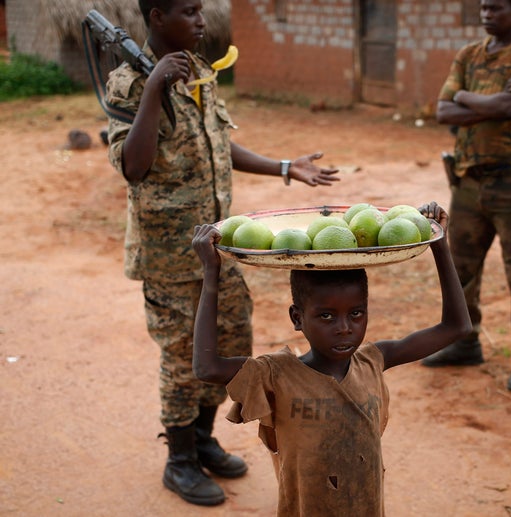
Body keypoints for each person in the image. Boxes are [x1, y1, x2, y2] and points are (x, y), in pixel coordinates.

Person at [105, 0, 339, 506]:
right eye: (188, 11)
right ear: (158, 15)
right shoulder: (126, 82)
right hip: (168, 253)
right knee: (179, 355)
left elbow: (216, 144)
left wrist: (283, 167)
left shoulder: (203, 73)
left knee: (229, 337)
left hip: (216, 244)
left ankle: (206, 440)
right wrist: (152, 89)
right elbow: (133, 165)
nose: (200, 20)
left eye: (201, 10)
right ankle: (180, 459)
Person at [191, 202, 471, 516]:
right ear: (297, 318)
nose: (344, 329)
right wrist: (210, 273)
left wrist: (439, 245)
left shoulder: (374, 361)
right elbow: (207, 367)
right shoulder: (276, 375)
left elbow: (457, 327)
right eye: (326, 316)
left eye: (356, 314)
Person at [422, 0, 511, 392]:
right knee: (460, 271)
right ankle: (465, 342)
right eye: (483, 7)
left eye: (496, 7)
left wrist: (466, 97)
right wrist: (488, 105)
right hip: (467, 183)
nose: (486, 13)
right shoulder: (468, 55)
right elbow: (442, 111)